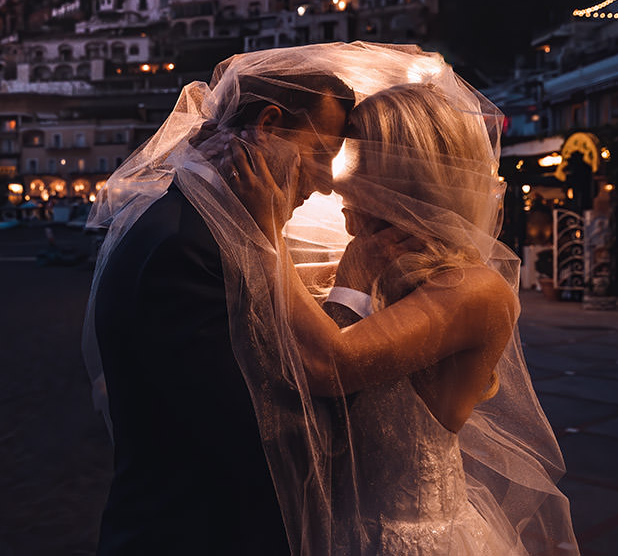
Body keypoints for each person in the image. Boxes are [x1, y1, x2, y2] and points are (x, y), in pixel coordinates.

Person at [228, 77, 578, 555]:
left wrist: (266, 231)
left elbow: (330, 367)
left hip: (409, 538)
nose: (337, 184)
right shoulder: (369, 263)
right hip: (336, 530)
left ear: (409, 178)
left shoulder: (475, 290)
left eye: (359, 167)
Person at [82, 44, 361, 555]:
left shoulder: (192, 223)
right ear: (270, 125)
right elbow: (251, 429)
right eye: (321, 154)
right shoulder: (186, 247)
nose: (324, 183)